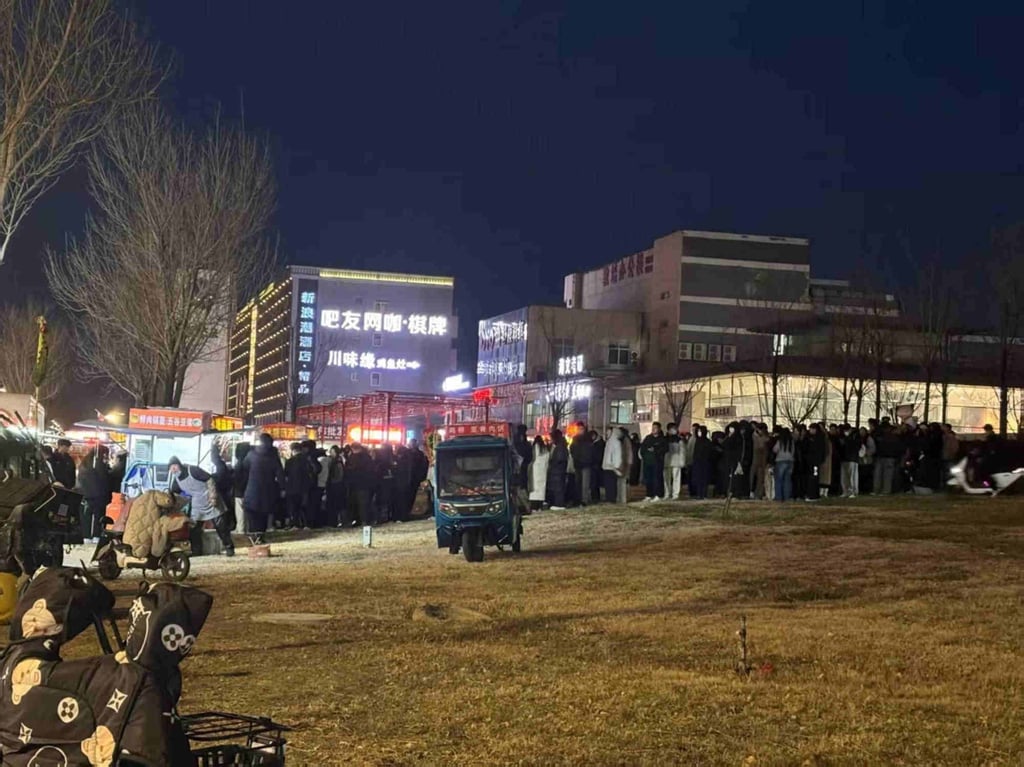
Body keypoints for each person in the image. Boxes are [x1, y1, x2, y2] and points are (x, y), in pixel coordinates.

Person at [167, 456, 234, 557]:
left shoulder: (193, 470)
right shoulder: (177, 480)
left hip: (211, 500)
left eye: (175, 466)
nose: (173, 469)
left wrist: (213, 495)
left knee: (221, 527)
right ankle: (196, 551)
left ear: (179, 465)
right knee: (194, 529)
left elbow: (209, 479)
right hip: (197, 504)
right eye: (171, 468)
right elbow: (175, 492)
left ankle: (229, 548)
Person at [241, 434, 285, 545]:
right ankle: (260, 536)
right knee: (263, 515)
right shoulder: (273, 457)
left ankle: (253, 537)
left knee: (252, 515)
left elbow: (243, 470)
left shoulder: (251, 455)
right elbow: (280, 475)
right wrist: (282, 488)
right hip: (268, 491)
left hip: (251, 489)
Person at [76, 446, 110, 543]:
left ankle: (86, 536)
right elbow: (104, 480)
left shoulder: (84, 464)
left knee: (86, 517)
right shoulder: (99, 465)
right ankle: (95, 536)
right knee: (97, 516)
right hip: (98, 495)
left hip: (85, 494)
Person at [285, 442, 316, 529]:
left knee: (294, 507)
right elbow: (314, 470)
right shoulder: (307, 460)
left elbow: (286, 474)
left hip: (292, 487)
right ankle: (307, 524)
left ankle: (295, 524)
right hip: (306, 487)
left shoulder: (289, 461)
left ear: (292, 450)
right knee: (305, 506)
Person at [345, 443, 376, 525]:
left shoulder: (352, 458)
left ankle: (357, 520)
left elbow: (349, 470)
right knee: (364, 504)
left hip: (355, 485)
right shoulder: (367, 458)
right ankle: (365, 521)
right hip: (366, 485)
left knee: (355, 504)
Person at [601, 427, 631, 503]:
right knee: (608, 484)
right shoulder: (609, 442)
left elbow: (618, 455)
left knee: (611, 484)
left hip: (611, 467)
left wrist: (616, 466)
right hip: (607, 466)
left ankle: (611, 499)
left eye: (608, 432)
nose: (606, 434)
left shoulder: (615, 442)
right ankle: (609, 498)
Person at [639, 422, 668, 502]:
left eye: (655, 428)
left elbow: (665, 449)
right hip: (648, 462)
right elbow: (643, 447)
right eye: (653, 428)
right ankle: (649, 494)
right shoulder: (648, 438)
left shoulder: (662, 439)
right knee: (649, 479)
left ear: (659, 429)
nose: (653, 429)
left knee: (657, 478)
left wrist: (655, 450)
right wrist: (645, 453)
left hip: (657, 462)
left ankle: (658, 494)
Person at [569, 424, 595, 506]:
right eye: (579, 429)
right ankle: (578, 499)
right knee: (578, 483)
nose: (580, 430)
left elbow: (590, 452)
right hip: (578, 463)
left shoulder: (587, 439)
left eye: (581, 429)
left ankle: (584, 500)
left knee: (585, 484)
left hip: (585, 464)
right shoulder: (576, 439)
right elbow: (572, 449)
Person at [325, 445, 348, 526]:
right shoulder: (337, 461)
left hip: (336, 486)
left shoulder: (337, 462)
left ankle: (340, 521)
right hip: (337, 485)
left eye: (332, 452)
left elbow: (340, 475)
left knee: (337, 504)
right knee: (338, 505)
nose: (330, 453)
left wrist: (333, 482)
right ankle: (339, 521)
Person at [547, 430, 569, 510]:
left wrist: (552, 463)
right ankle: (558, 503)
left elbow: (559, 459)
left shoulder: (560, 447)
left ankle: (559, 504)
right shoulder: (560, 446)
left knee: (558, 488)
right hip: (558, 471)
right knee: (557, 487)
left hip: (558, 471)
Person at [689, 425, 712, 500]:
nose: (699, 433)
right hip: (697, 462)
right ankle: (699, 494)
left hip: (705, 462)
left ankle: (704, 494)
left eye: (700, 431)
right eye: (698, 431)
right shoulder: (697, 441)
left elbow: (709, 452)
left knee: (704, 479)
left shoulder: (707, 441)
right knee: (698, 479)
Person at [663, 423, 685, 500]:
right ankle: (667, 493)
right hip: (666, 461)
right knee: (666, 479)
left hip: (676, 461)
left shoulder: (679, 440)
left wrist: (682, 461)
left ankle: (675, 494)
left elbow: (682, 451)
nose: (673, 430)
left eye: (674, 428)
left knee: (676, 478)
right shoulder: (664, 439)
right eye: (672, 428)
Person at [772, 428, 795, 502]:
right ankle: (787, 497)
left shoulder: (780, 441)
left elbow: (775, 449)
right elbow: (793, 451)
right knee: (787, 480)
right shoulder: (792, 442)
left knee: (779, 480)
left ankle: (779, 497)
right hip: (790, 461)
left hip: (780, 461)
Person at [840, 424, 862, 498]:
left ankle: (853, 491)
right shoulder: (843, 437)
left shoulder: (855, 436)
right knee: (844, 477)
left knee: (852, 477)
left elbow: (856, 446)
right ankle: (845, 491)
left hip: (852, 459)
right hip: (844, 458)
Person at [750, 423, 769, 500]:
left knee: (760, 478)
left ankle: (758, 493)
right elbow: (760, 446)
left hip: (761, 459)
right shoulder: (755, 436)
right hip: (757, 458)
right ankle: (753, 491)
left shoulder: (759, 436)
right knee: (755, 476)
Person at [590, 430, 606, 503]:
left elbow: (598, 456)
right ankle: (595, 497)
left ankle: (595, 498)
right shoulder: (597, 443)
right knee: (595, 483)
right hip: (596, 466)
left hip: (596, 466)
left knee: (594, 483)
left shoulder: (599, 444)